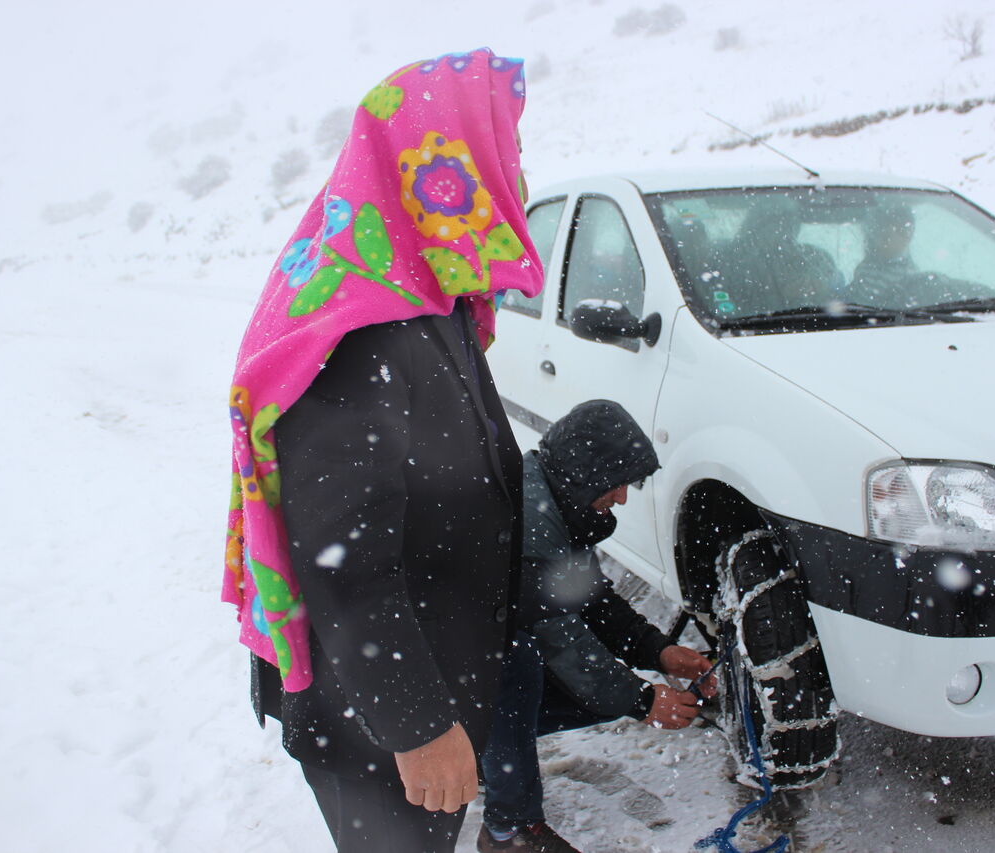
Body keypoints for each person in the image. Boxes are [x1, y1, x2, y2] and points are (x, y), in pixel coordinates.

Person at [220, 48, 543, 852]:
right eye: (508, 149)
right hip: (378, 724)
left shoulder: (429, 295)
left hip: (424, 681)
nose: (520, 171)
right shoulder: (360, 331)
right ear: (445, 164)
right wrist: (420, 724)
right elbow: (343, 557)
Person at [477, 400, 717, 853]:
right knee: (521, 662)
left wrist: (658, 650)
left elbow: (591, 599)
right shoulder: (529, 520)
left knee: (598, 692)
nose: (622, 497)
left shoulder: (557, 501)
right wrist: (642, 698)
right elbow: (559, 638)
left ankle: (484, 752)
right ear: (581, 474)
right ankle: (509, 830)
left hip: (464, 665)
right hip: (423, 680)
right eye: (615, 484)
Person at [724, 195, 843, 316]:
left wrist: (822, 291)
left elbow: (841, 299)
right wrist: (779, 294)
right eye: (776, 224)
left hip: (821, 324)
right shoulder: (737, 261)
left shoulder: (816, 256)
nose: (785, 231)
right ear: (756, 226)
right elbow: (736, 309)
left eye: (791, 223)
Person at [846, 202, 919, 307]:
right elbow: (851, 295)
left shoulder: (908, 275)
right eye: (877, 233)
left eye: (886, 236)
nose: (879, 240)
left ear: (907, 237)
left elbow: (895, 312)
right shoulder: (866, 266)